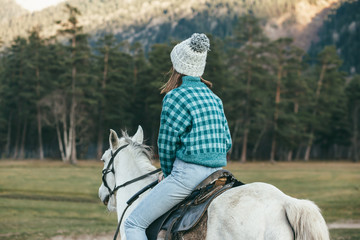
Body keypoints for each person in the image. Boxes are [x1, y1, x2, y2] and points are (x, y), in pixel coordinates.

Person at [124, 33, 232, 239]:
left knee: (133, 224)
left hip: (187, 177)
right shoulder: (215, 98)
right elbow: (227, 141)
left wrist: (166, 172)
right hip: (219, 175)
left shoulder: (175, 96)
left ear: (177, 67)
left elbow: (166, 145)